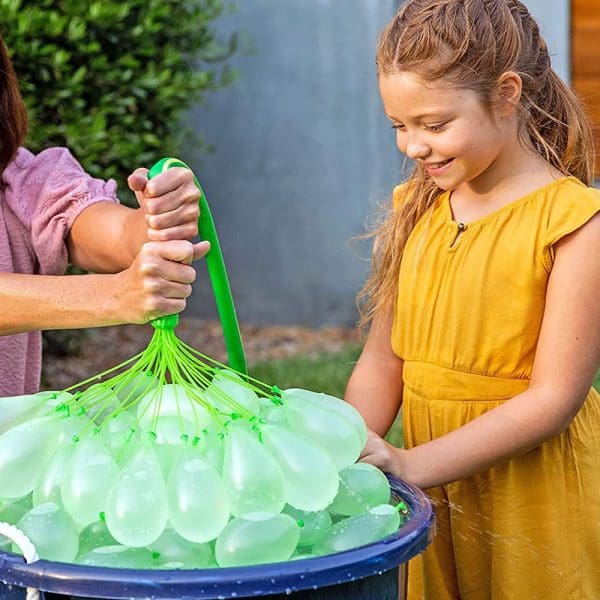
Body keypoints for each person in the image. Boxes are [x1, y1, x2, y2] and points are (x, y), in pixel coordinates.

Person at [345, 1, 600, 598]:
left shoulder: (574, 223)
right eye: (399, 127)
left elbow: (554, 400)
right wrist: (349, 447)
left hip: (533, 491)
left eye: (434, 125)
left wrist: (410, 465)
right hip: (436, 492)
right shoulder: (418, 209)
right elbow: (385, 361)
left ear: (507, 93)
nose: (413, 146)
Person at [0, 35, 209, 398]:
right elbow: (117, 291)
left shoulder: (21, 178)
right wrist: (113, 295)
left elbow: (104, 231)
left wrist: (155, 219)